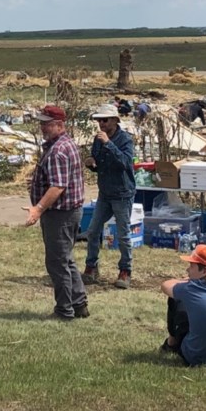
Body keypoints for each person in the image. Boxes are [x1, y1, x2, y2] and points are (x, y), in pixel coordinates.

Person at [25, 105, 87, 320]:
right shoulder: (66, 145)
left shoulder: (58, 151)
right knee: (66, 259)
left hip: (60, 215)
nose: (43, 127)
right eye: (41, 123)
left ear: (60, 125)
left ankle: (64, 310)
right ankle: (79, 304)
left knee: (57, 263)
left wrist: (38, 209)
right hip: (70, 212)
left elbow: (57, 186)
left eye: (47, 124)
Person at [82, 103, 136, 289]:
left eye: (104, 120)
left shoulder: (125, 140)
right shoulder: (98, 139)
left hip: (122, 193)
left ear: (114, 120)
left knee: (123, 234)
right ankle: (91, 266)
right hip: (105, 193)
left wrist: (109, 144)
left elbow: (125, 163)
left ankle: (125, 270)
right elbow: (100, 164)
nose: (101, 124)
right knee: (93, 230)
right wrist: (91, 163)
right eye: (98, 120)